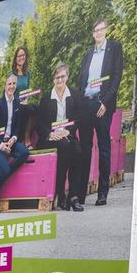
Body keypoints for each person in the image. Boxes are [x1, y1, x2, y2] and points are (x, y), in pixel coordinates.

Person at [76, 18, 123, 206]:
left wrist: (106, 101)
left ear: (106, 30)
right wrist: (79, 101)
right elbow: (82, 80)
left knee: (104, 148)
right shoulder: (88, 54)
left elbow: (117, 77)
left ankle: (102, 192)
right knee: (85, 148)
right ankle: (80, 194)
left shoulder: (114, 48)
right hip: (86, 104)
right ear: (92, 33)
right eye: (95, 30)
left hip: (102, 104)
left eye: (101, 29)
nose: (98, 33)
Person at [36, 63, 83, 212]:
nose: (60, 80)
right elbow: (39, 123)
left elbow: (78, 117)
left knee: (78, 152)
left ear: (67, 77)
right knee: (64, 148)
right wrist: (50, 134)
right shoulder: (46, 98)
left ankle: (73, 196)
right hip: (50, 138)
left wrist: (69, 131)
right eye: (57, 77)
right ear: (53, 79)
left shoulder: (74, 94)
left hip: (67, 135)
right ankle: (61, 194)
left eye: (62, 76)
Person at [0, 74, 30, 213]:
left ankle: (0, 176)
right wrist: (1, 145)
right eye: (9, 84)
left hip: (9, 141)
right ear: (5, 86)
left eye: (13, 84)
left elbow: (17, 126)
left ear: (16, 86)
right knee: (5, 170)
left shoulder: (16, 103)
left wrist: (13, 139)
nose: (11, 86)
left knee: (24, 153)